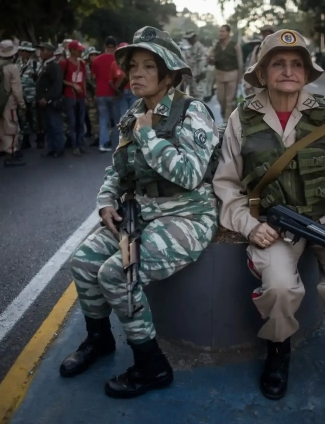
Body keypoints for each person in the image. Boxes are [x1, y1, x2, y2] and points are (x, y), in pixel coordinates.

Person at [212, 29, 325, 413]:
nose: (288, 70)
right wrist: (250, 225)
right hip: (273, 226)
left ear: (306, 72)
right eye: (278, 63)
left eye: (296, 64)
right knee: (280, 288)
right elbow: (227, 184)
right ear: (263, 71)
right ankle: (278, 353)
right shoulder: (243, 116)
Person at [61, 26, 219, 399]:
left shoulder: (192, 112)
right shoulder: (133, 113)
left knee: (119, 273)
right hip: (141, 211)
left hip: (187, 216)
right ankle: (99, 341)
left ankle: (152, 366)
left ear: (169, 74)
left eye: (149, 66)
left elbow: (190, 174)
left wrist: (149, 136)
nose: (136, 73)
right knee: (82, 262)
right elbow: (117, 169)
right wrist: (104, 201)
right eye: (133, 66)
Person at [0, 40, 26, 166]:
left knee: (1, 127)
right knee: (12, 128)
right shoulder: (12, 67)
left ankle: (3, 149)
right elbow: (17, 89)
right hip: (9, 102)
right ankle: (11, 154)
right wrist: (22, 104)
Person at [35, 43, 65, 158]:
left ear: (49, 52)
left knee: (55, 125)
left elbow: (57, 85)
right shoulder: (43, 65)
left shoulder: (54, 66)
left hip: (51, 101)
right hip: (42, 101)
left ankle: (59, 148)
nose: (41, 52)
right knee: (47, 126)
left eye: (43, 50)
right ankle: (51, 148)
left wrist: (47, 98)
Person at [209, 24, 243, 119]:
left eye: (223, 31)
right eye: (220, 31)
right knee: (221, 99)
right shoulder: (216, 45)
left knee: (229, 100)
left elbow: (240, 63)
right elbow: (210, 61)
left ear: (228, 33)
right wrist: (210, 59)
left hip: (232, 74)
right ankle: (224, 114)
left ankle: (226, 122)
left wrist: (240, 78)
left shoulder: (235, 45)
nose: (221, 33)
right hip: (219, 74)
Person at [61, 40, 88, 156]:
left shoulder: (82, 63)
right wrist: (72, 85)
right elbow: (60, 80)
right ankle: (74, 145)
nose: (80, 52)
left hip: (81, 96)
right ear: (72, 50)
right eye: (78, 50)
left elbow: (84, 80)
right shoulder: (64, 63)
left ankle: (80, 143)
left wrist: (85, 94)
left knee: (80, 121)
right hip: (70, 95)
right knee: (72, 121)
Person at [91, 36, 118, 152]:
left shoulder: (96, 60)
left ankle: (103, 144)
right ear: (116, 47)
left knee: (103, 119)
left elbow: (93, 77)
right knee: (117, 119)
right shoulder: (117, 60)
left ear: (105, 46)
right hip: (114, 93)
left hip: (100, 93)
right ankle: (117, 144)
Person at [17, 41, 43, 149]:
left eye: (27, 51)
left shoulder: (36, 64)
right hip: (21, 95)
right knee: (23, 118)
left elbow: (40, 80)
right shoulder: (16, 64)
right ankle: (26, 140)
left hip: (33, 95)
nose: (25, 53)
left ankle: (40, 138)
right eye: (23, 51)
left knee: (36, 117)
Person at [182, 31, 207, 99]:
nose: (188, 40)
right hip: (192, 74)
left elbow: (202, 61)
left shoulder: (199, 47)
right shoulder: (191, 47)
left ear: (193, 38)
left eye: (189, 38)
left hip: (197, 75)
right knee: (192, 94)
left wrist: (199, 74)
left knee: (197, 94)